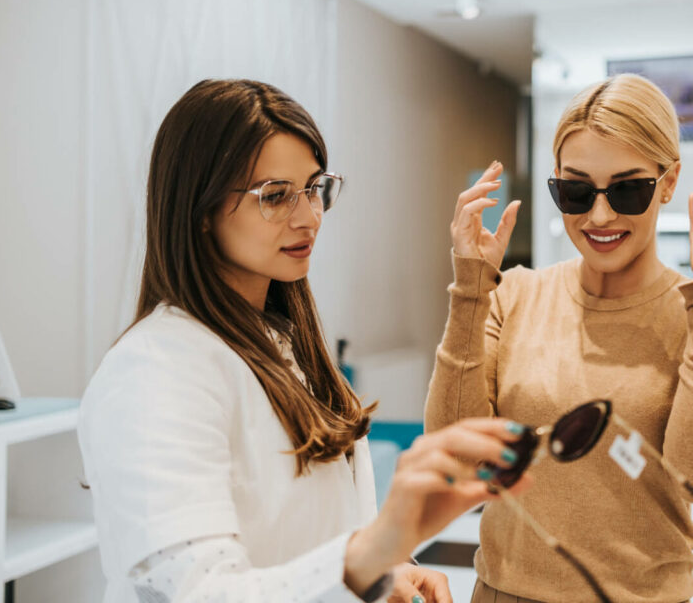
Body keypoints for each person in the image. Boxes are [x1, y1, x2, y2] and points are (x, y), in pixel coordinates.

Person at [78, 79, 530, 603]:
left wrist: (387, 572)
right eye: (275, 196)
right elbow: (200, 591)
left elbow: (316, 530)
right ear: (200, 211)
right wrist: (365, 558)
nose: (309, 216)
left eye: (314, 188)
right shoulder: (155, 371)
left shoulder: (286, 345)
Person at [425, 74, 693, 603]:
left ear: (668, 182)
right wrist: (470, 290)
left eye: (628, 190)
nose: (600, 216)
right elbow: (457, 460)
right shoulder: (515, 295)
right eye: (576, 191)